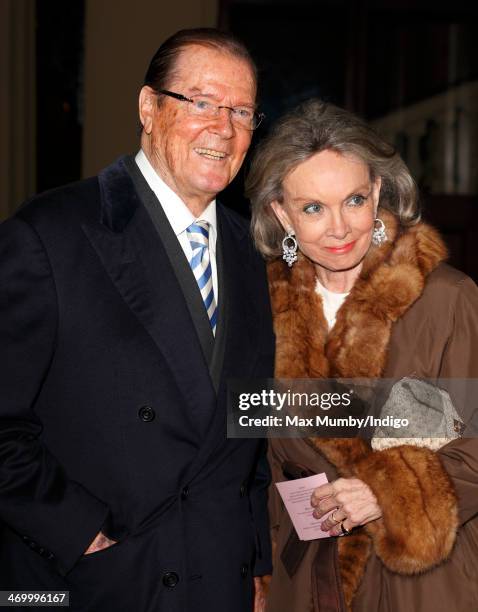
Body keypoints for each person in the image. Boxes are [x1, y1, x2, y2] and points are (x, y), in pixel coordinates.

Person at [0, 28, 275, 612]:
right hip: (97, 581)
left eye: (242, 111)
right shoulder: (49, 235)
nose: (223, 128)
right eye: (200, 102)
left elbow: (246, 422)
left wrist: (253, 560)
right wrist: (81, 534)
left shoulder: (253, 254)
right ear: (149, 108)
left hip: (219, 579)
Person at [246, 99, 478, 612]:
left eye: (353, 199)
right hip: (304, 578)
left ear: (377, 192)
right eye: (312, 208)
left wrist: (388, 491)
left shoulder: (446, 299)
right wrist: (257, 567)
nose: (339, 228)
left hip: (424, 582)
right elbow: (255, 464)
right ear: (279, 212)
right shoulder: (260, 313)